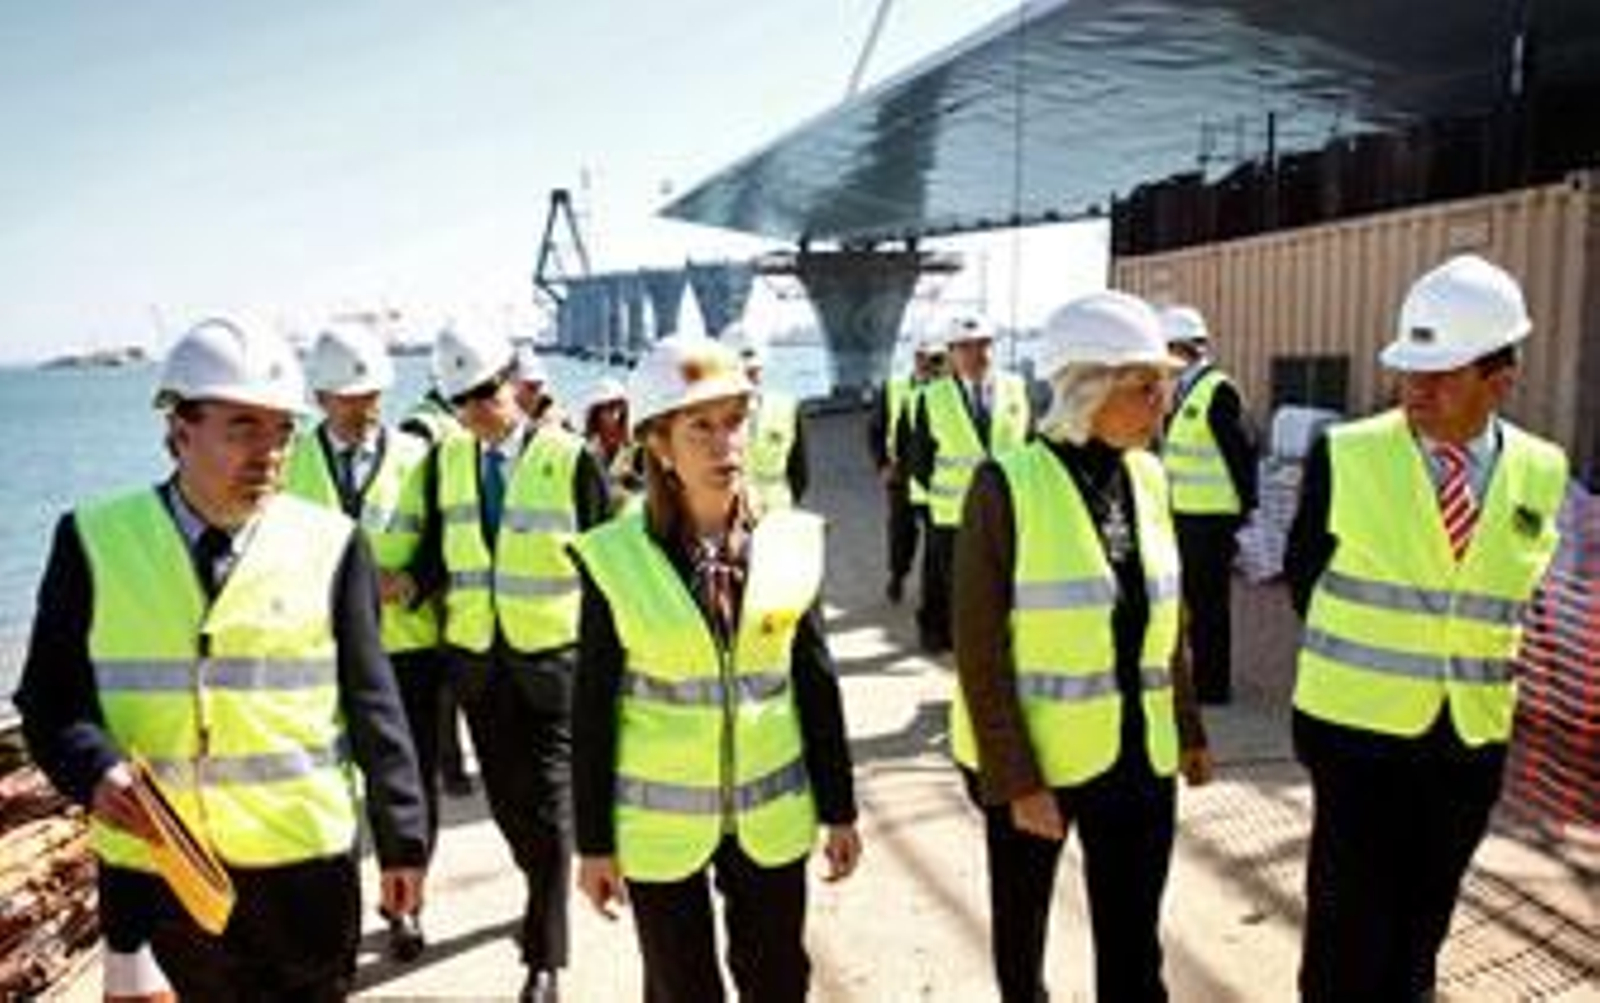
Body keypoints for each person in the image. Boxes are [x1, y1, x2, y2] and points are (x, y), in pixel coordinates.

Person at [13, 317, 428, 999]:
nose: (270, 451)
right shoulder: (93, 538)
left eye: (283, 430)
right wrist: (94, 770)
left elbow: (373, 701)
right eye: (243, 427)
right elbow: (50, 699)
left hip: (305, 870)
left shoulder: (333, 544)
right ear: (179, 428)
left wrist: (404, 838)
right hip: (160, 874)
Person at [1285, 254, 1569, 1002]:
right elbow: (1303, 576)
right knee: (1347, 929)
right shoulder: (1345, 452)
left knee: (1423, 925)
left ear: (1500, 378)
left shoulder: (1542, 470)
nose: (1417, 387)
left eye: (1441, 372)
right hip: (1355, 735)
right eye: (1410, 368)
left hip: (1469, 742)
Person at [570, 333, 861, 1003]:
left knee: (779, 980)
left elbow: (816, 684)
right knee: (681, 988)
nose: (724, 442)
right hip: (660, 829)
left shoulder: (791, 541)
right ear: (659, 444)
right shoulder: (613, 557)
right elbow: (592, 709)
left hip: (771, 816)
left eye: (734, 421)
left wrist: (839, 809)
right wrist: (594, 844)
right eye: (699, 425)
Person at [951, 291, 1212, 1002]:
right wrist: (1018, 780)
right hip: (1039, 764)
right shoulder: (1005, 486)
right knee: (1022, 934)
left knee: (1134, 945)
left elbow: (1166, 615)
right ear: (1087, 386)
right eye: (1145, 385)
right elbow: (977, 647)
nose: (1163, 401)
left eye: (1163, 383)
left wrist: (1186, 727)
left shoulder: (1150, 477)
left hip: (1138, 757)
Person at [422, 325, 610, 1002]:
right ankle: (542, 892)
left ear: (516, 382)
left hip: (554, 664)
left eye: (485, 392)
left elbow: (607, 564)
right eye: (462, 399)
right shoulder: (444, 462)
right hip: (480, 666)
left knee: (553, 806)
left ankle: (545, 958)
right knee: (509, 809)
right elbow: (435, 553)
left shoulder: (570, 456)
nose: (477, 408)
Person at [284, 324, 441, 961]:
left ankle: (408, 903)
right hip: (316, 652)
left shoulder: (419, 457)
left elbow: (450, 541)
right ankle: (338, 912)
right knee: (328, 786)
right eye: (349, 396)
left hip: (408, 650)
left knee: (410, 788)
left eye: (372, 393)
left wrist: (413, 579)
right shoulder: (288, 459)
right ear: (320, 398)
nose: (364, 406)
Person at [905, 312, 1032, 653]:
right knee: (956, 586)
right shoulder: (931, 397)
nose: (978, 354)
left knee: (1003, 581)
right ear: (951, 353)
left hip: (1008, 509)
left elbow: (1029, 443)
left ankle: (1001, 643)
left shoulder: (1016, 388)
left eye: (984, 344)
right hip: (952, 512)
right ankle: (960, 645)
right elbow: (919, 459)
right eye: (966, 347)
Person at [1159, 305, 1258, 704]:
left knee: (1209, 605)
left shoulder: (1218, 390)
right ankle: (1195, 677)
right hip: (1184, 514)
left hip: (1212, 519)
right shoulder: (1184, 390)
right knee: (1189, 602)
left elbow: (1243, 452)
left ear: (1183, 348)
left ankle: (1214, 687)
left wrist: (1245, 512)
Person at [396, 365, 477, 800]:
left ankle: (449, 767)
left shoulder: (418, 420)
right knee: (448, 679)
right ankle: (450, 768)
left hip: (437, 569)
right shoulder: (429, 426)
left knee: (448, 680)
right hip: (441, 573)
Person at [868, 325, 948, 604]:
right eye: (925, 357)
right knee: (902, 533)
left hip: (939, 477)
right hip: (901, 475)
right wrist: (882, 465)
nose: (930, 363)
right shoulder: (894, 387)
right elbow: (876, 430)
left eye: (937, 357)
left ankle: (933, 593)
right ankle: (897, 575)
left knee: (936, 540)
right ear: (915, 357)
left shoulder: (950, 391)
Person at [719, 322, 808, 514]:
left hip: (776, 517)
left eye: (753, 371)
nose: (749, 377)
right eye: (744, 371)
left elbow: (799, 475)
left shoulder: (786, 408)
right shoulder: (709, 416)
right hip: (728, 517)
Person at [578, 376, 642, 508]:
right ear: (596, 412)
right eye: (610, 407)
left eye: (620, 407)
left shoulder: (636, 451)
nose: (616, 414)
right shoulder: (581, 449)